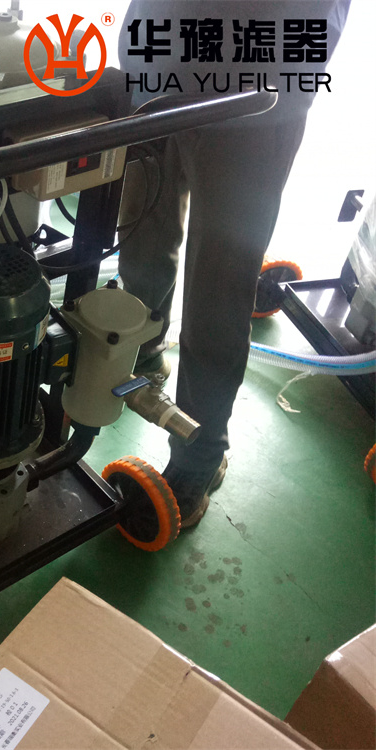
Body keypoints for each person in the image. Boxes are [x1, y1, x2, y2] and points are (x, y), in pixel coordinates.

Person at [118, 1, 349, 525]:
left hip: (259, 83)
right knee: (140, 235)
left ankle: (199, 458)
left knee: (218, 291)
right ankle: (143, 349)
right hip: (158, 60)